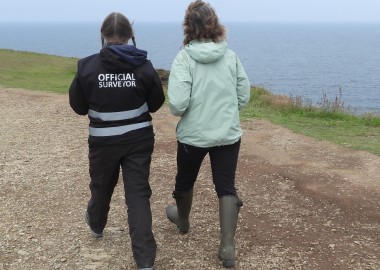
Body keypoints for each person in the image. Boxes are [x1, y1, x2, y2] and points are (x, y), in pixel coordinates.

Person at [69, 12, 165, 270]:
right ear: (130, 35)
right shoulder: (143, 65)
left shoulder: (86, 66)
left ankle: (97, 225)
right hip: (139, 140)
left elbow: (78, 107)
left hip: (103, 142)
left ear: (103, 36)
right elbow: (156, 103)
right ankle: (145, 259)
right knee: (137, 193)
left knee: (101, 185)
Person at [165, 0, 251, 268]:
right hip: (227, 133)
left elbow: (177, 105)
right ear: (215, 25)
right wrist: (224, 110)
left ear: (188, 27)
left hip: (193, 135)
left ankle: (183, 220)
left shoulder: (183, 58)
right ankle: (227, 247)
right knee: (225, 186)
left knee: (185, 181)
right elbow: (244, 97)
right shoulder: (230, 56)